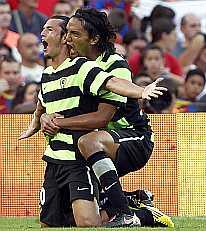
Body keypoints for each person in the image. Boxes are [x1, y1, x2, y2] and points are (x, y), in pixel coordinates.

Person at [19, 15, 165, 228]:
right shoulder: (63, 69)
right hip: (88, 145)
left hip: (131, 136)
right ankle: (132, 200)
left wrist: (142, 90)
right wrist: (41, 118)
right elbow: (45, 102)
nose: (68, 39)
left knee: (88, 144)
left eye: (74, 34)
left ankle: (126, 212)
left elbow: (102, 116)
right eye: (67, 33)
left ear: (93, 39)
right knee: (67, 219)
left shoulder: (112, 64)